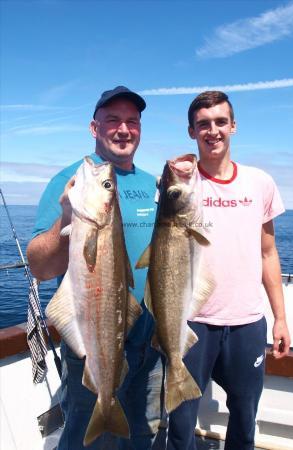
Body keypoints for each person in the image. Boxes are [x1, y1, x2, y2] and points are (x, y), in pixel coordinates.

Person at [27, 86, 163, 450]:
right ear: (94, 128)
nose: (123, 129)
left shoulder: (153, 184)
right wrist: (67, 219)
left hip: (148, 335)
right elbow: (39, 266)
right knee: (89, 438)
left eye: (132, 121)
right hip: (92, 332)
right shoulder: (72, 180)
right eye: (113, 120)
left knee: (144, 432)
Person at [166, 91, 291, 450]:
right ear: (192, 131)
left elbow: (268, 253)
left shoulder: (260, 182)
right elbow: (165, 246)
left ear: (233, 126)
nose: (213, 130)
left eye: (221, 122)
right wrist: (171, 176)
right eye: (203, 124)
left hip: (247, 323)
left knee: (244, 418)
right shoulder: (180, 184)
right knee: (181, 423)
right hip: (191, 323)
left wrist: (280, 317)